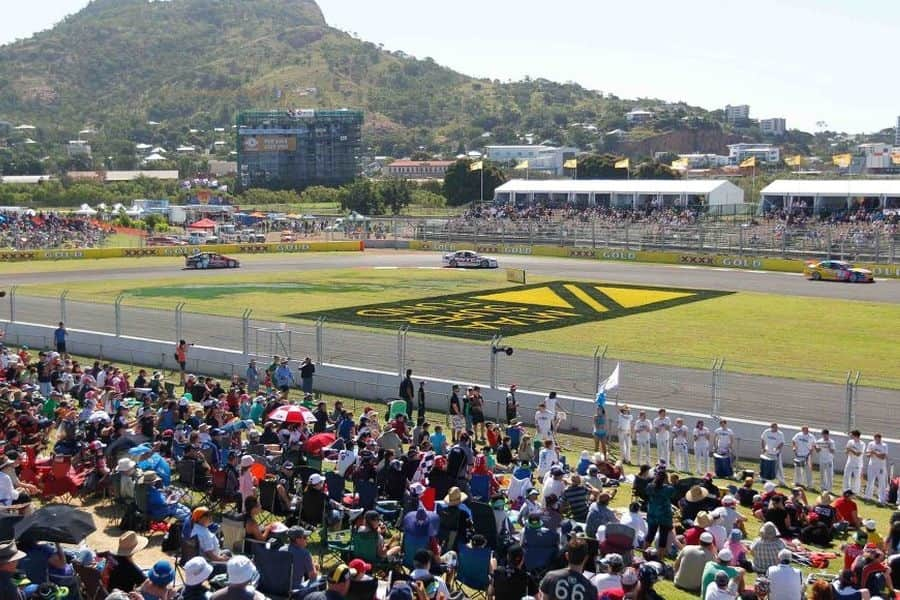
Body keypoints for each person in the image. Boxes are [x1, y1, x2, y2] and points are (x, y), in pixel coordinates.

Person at [645, 469, 675, 550]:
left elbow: (647, 491)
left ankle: (644, 552)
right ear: (665, 478)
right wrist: (668, 482)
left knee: (650, 534)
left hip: (652, 514)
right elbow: (673, 493)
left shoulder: (650, 486)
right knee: (663, 537)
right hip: (664, 516)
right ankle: (660, 557)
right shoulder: (668, 489)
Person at [864, 433, 888, 504]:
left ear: (880, 439)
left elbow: (883, 457)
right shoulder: (871, 444)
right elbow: (867, 454)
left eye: (878, 439)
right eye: (876, 439)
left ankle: (881, 499)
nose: (877, 440)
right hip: (871, 466)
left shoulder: (884, 445)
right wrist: (871, 453)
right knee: (870, 481)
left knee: (881, 482)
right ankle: (868, 496)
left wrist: (874, 453)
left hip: (880, 467)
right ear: (874, 438)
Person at [844, 430, 864, 496]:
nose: (850, 435)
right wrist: (847, 450)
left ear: (855, 435)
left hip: (857, 464)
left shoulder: (862, 444)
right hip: (849, 462)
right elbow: (846, 451)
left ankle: (855, 492)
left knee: (856, 478)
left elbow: (858, 454)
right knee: (846, 476)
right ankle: (847, 490)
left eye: (851, 434)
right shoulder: (850, 441)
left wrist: (851, 450)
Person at [816, 429, 836, 493]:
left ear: (828, 435)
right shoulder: (819, 441)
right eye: (823, 435)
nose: (824, 436)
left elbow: (833, 451)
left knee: (829, 475)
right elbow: (817, 451)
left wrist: (829, 446)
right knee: (822, 474)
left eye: (825, 435)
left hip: (829, 461)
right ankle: (823, 487)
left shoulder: (831, 442)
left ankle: (829, 489)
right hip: (822, 460)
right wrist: (816, 448)